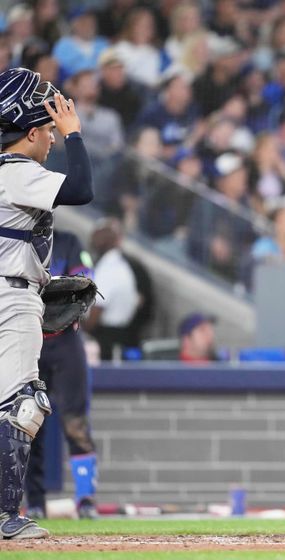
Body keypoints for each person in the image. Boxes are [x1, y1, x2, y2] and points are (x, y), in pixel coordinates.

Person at [0, 67, 94, 539]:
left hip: (16, 288)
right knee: (23, 405)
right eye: (50, 131)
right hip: (9, 297)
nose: (54, 138)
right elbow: (81, 188)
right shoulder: (16, 170)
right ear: (31, 131)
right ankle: (5, 516)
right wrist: (76, 134)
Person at [25, 230, 98, 520]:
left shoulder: (69, 241)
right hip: (32, 339)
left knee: (76, 423)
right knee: (29, 424)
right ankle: (34, 503)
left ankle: (85, 500)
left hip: (67, 339)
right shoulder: (20, 239)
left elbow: (86, 278)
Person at [83, 218, 140, 361]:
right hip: (119, 335)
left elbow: (96, 312)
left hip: (108, 339)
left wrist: (77, 332)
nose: (95, 239)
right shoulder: (118, 265)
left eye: (101, 234)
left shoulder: (110, 269)